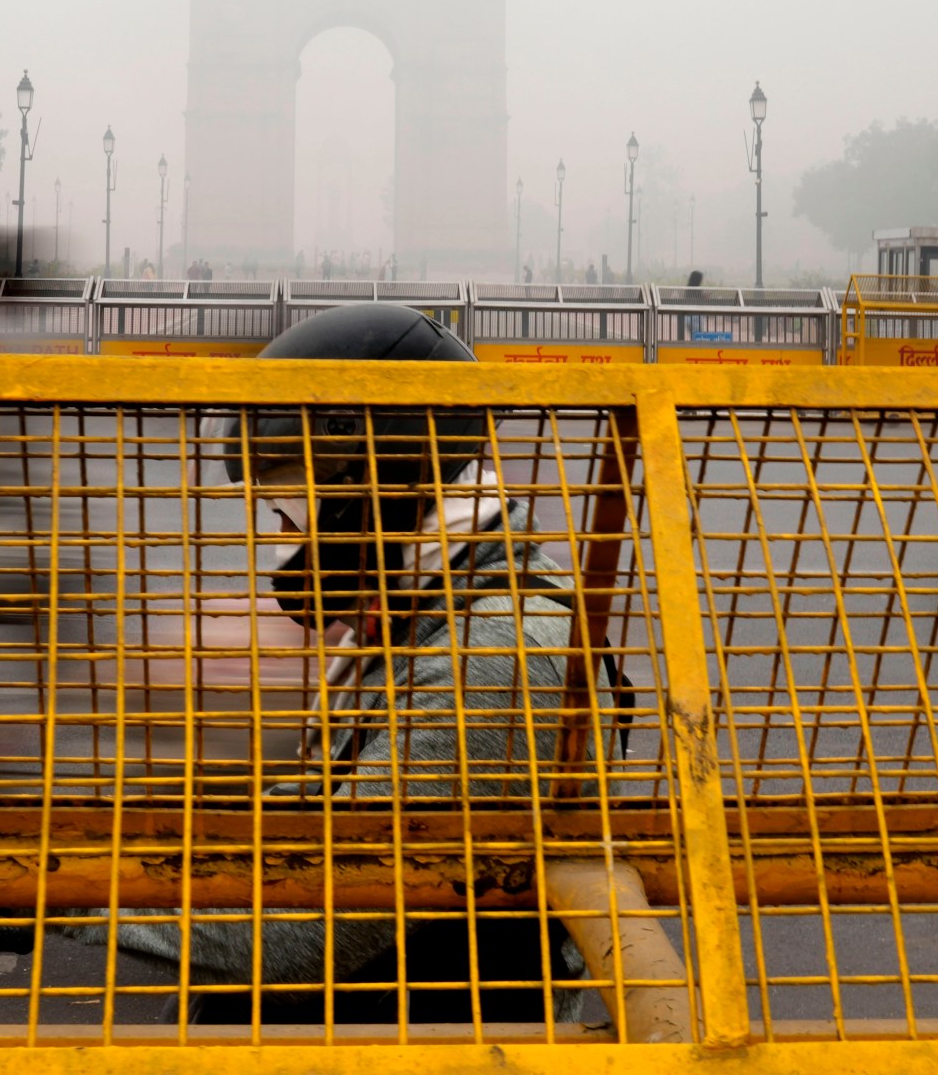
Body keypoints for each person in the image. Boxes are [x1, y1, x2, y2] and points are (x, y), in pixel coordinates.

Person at [71, 304, 623, 1026]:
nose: (283, 530)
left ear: (376, 478)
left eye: (292, 497)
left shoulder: (497, 655)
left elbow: (311, 930)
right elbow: (326, 814)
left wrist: (48, 898)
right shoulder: (423, 612)